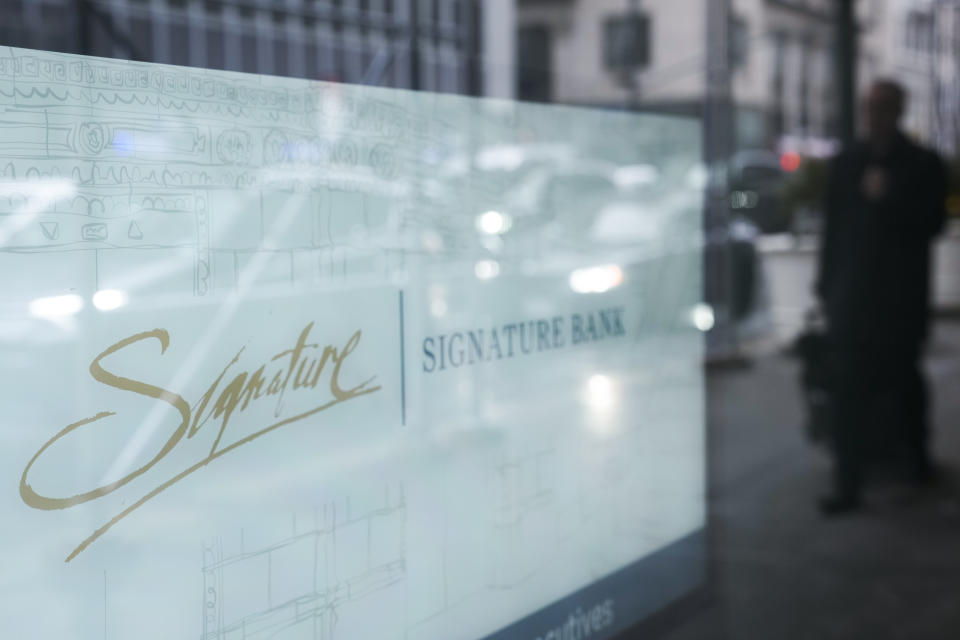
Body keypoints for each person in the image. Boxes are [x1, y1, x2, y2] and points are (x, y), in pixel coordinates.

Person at [815, 78, 948, 515]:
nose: (876, 116)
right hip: (852, 302)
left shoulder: (923, 164)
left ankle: (916, 462)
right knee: (848, 392)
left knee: (905, 384)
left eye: (884, 107)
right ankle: (847, 484)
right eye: (871, 107)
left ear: (898, 110)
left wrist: (887, 201)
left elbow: (932, 225)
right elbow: (832, 231)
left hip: (899, 302)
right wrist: (825, 288)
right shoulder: (848, 162)